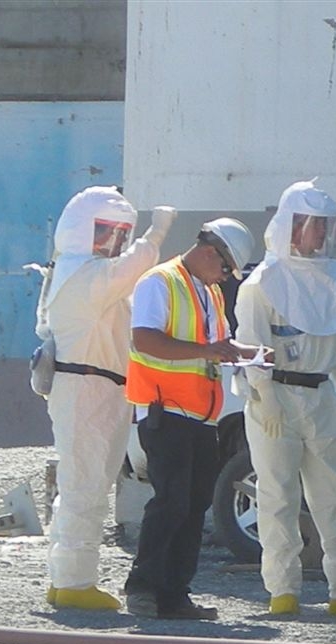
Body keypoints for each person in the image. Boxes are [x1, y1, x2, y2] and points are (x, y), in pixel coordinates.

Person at [234, 180, 336, 618]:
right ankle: (283, 589)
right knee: (278, 497)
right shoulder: (262, 284)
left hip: (322, 397)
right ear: (290, 226)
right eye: (313, 224)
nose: (321, 234)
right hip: (276, 400)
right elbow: (251, 347)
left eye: (325, 225)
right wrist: (264, 396)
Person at [42, 186, 176, 610]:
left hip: (96, 385)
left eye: (120, 234)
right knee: (86, 485)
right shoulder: (84, 275)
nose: (113, 244)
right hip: (88, 386)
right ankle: (75, 584)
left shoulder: (75, 272)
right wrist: (155, 235)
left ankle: (66, 578)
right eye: (106, 233)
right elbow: (129, 269)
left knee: (83, 483)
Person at [123, 217, 261, 620]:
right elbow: (145, 339)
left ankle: (174, 594)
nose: (225, 277)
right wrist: (209, 352)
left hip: (201, 415)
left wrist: (241, 352)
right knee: (171, 501)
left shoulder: (209, 292)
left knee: (194, 502)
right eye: (224, 268)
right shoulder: (159, 282)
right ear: (208, 251)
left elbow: (212, 345)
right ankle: (143, 588)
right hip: (165, 409)